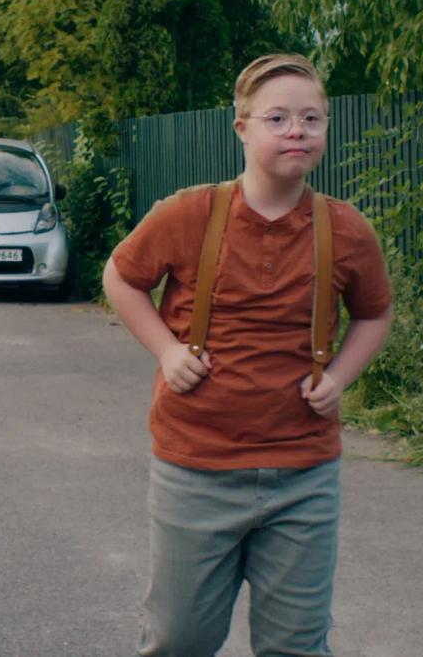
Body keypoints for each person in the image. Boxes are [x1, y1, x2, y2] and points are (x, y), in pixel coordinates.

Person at [102, 54, 393, 657]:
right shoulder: (189, 214)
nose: (297, 131)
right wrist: (166, 350)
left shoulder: (347, 230)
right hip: (196, 468)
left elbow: (374, 313)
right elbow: (121, 277)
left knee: (296, 646)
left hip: (304, 473)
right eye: (279, 118)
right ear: (242, 129)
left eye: (312, 119)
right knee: (180, 639)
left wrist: (339, 376)